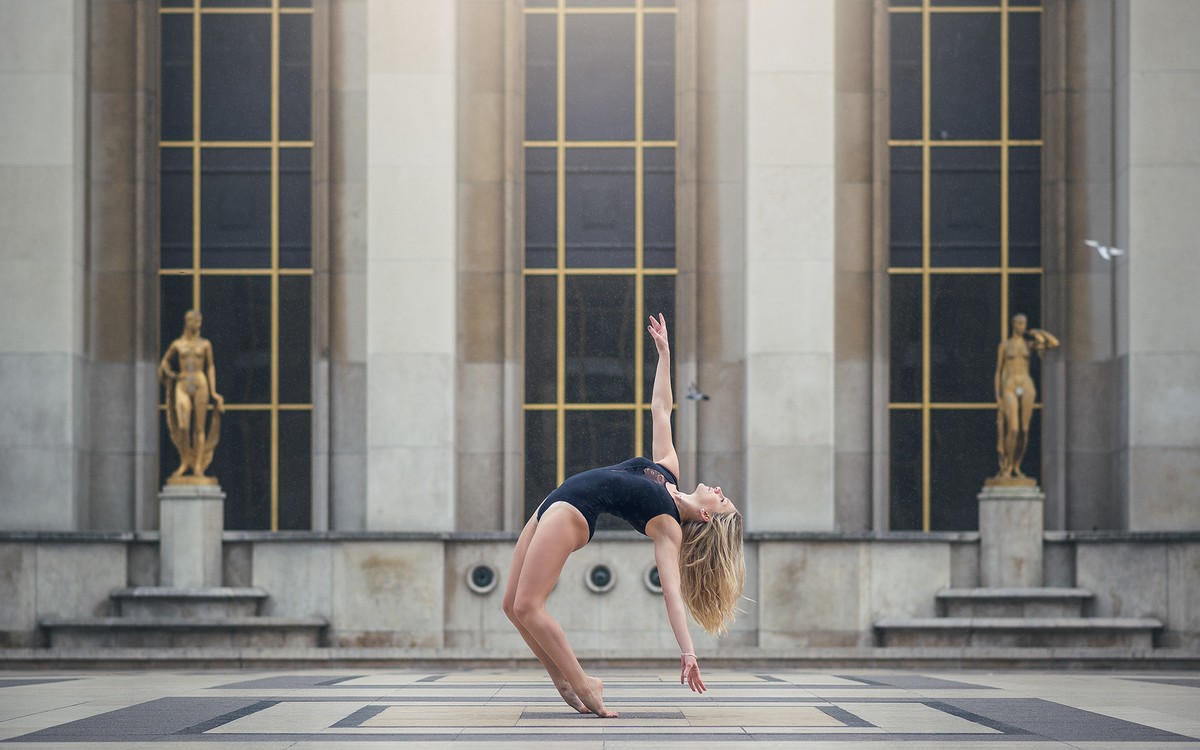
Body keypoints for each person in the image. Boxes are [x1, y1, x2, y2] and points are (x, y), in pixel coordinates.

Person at [502, 313, 745, 718]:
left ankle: (585, 683)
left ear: (706, 515)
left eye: (722, 500)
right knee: (511, 605)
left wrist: (687, 651)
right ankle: (562, 678)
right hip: (554, 501)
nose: (720, 491)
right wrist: (665, 353)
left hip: (573, 513)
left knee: (530, 605)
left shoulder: (669, 527)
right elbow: (661, 409)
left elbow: (671, 593)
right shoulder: (669, 472)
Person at [158, 309, 225, 481]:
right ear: (187, 322)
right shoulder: (178, 344)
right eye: (194, 321)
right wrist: (169, 372)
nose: (198, 325)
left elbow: (210, 367)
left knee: (199, 427)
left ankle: (197, 467)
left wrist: (213, 391)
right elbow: (164, 362)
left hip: (199, 382)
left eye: (199, 321)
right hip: (183, 383)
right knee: (183, 425)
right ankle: (185, 461)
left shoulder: (205, 345)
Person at [993, 313, 1059, 480]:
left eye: (1024, 323)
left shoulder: (1029, 344)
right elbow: (998, 371)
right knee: (1013, 428)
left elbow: (1054, 343)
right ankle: (1006, 466)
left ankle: (1016, 466)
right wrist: (998, 397)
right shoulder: (1005, 345)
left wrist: (1037, 332)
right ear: (1012, 324)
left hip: (1026, 384)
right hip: (1010, 385)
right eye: (1019, 323)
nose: (1021, 326)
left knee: (1024, 429)